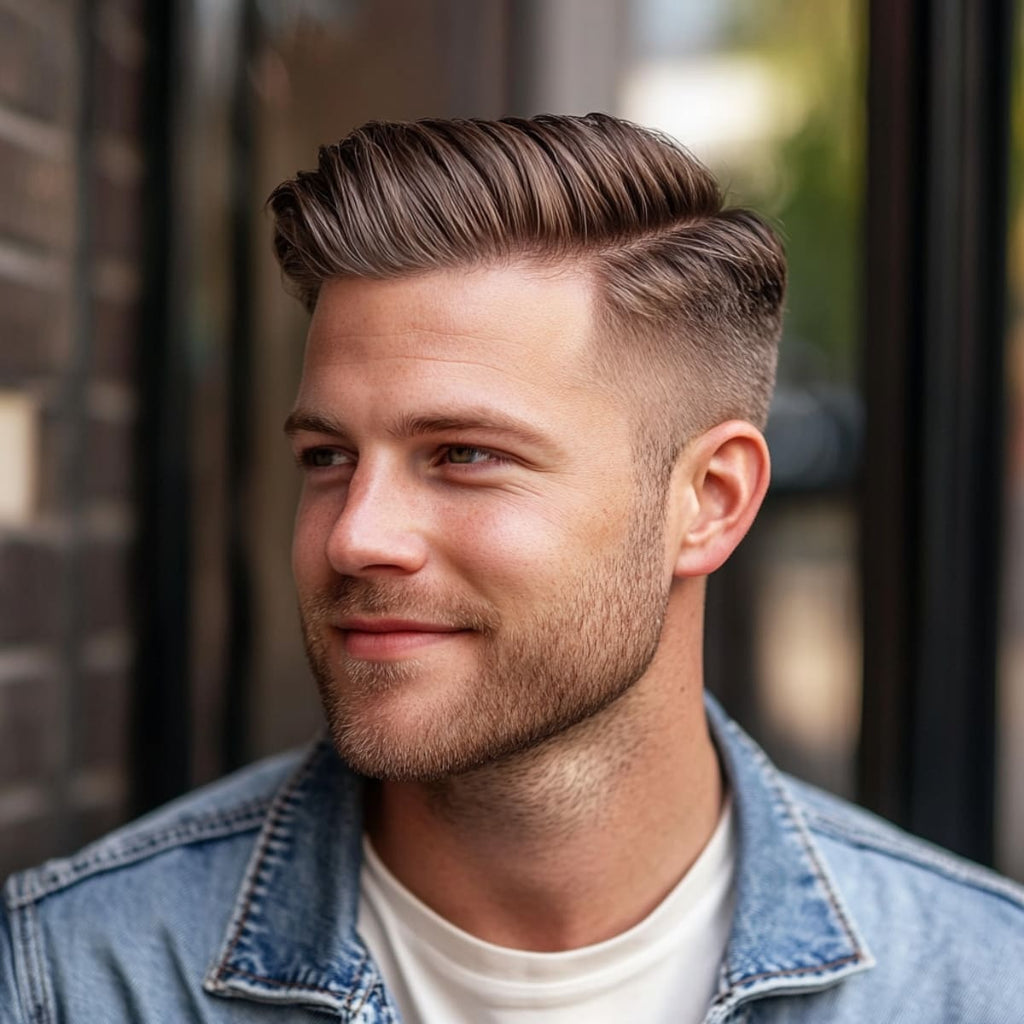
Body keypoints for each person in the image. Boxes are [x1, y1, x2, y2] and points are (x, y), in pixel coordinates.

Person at [2, 113, 1022, 1023]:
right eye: (328, 458)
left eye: (463, 455)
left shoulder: (974, 984)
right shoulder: (72, 976)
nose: (358, 534)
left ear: (707, 502)